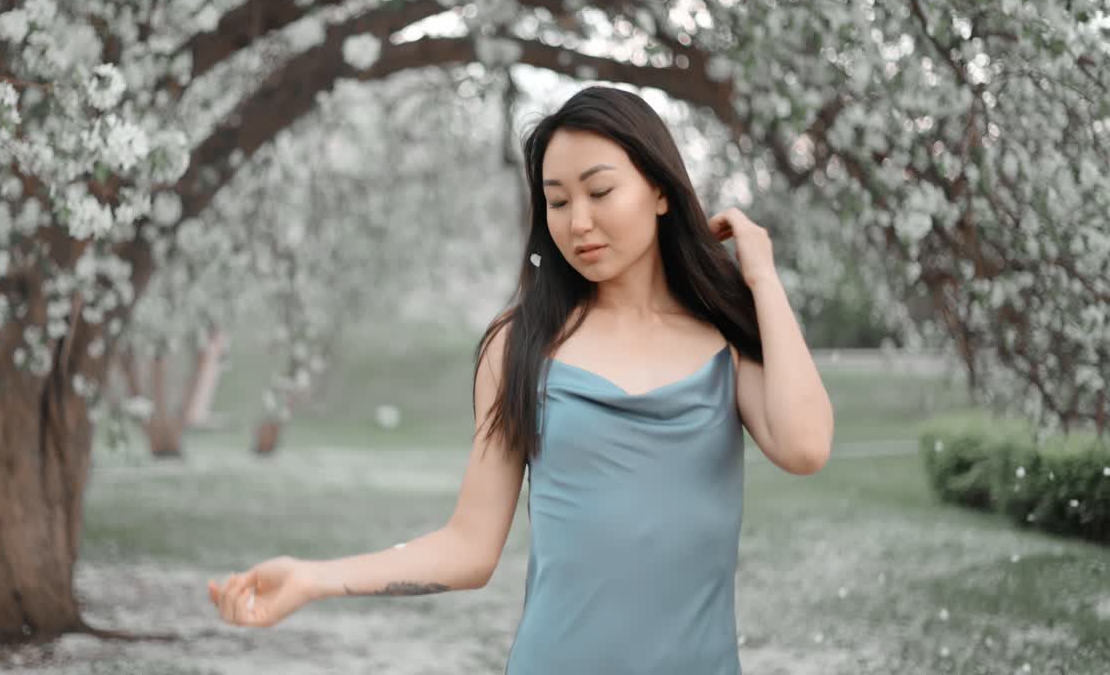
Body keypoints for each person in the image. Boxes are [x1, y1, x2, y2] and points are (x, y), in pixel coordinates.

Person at [208, 85, 834, 673]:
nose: (577, 222)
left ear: (661, 190)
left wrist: (761, 279)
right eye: (557, 201)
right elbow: (470, 547)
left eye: (599, 191)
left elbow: (805, 447)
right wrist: (316, 578)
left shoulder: (722, 339)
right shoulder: (520, 346)